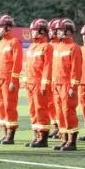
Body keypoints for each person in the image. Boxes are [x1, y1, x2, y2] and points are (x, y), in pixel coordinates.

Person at [50, 19, 83, 151]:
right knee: (59, 112)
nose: (57, 32)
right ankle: (64, 139)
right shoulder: (57, 47)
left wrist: (73, 87)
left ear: (68, 31)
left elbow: (76, 69)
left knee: (68, 111)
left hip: (67, 85)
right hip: (57, 85)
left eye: (60, 30)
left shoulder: (74, 48)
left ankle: (72, 141)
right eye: (57, 30)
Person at [0, 15, 23, 145]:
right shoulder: (0, 43)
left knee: (9, 106)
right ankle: (5, 132)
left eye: (0, 27)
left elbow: (17, 62)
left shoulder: (14, 42)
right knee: (1, 106)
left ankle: (10, 134)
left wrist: (13, 81)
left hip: (8, 80)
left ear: (8, 28)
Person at [22, 19, 54, 148]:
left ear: (42, 31)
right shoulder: (31, 46)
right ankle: (36, 135)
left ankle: (43, 138)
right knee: (33, 110)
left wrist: (45, 83)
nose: (32, 32)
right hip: (30, 83)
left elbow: (48, 66)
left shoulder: (47, 47)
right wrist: (25, 79)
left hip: (39, 83)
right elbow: (27, 65)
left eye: (34, 30)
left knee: (41, 110)